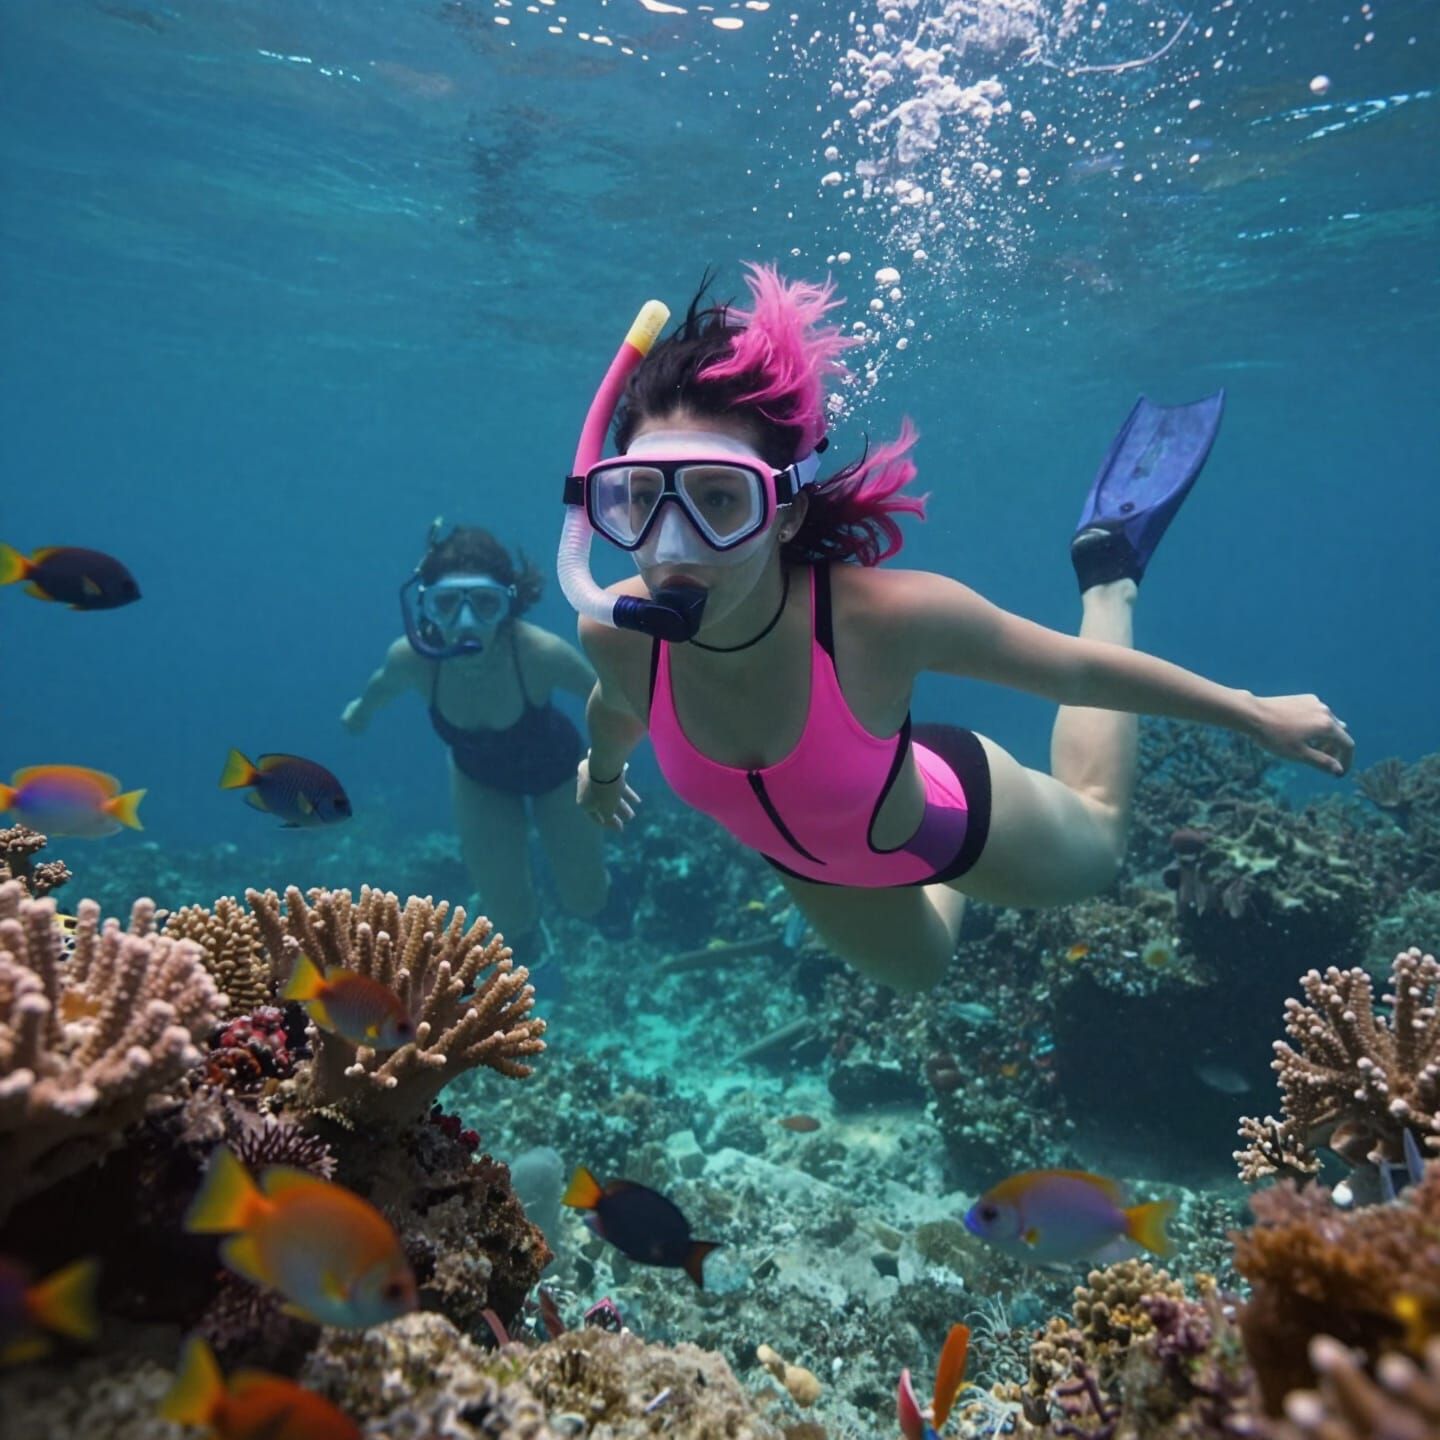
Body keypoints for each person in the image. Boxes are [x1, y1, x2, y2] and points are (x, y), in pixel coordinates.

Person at [561, 267, 1353, 993]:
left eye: (719, 500)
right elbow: (617, 706)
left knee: (1101, 847)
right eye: (636, 498)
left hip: (942, 815)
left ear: (787, 508)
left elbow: (1073, 674)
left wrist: (1252, 712)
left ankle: (1109, 575)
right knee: (921, 973)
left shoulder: (881, 619)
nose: (671, 544)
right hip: (819, 868)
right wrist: (600, 775)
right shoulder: (615, 633)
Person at [342, 523, 613, 955]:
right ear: (425, 607)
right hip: (479, 779)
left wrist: (607, 769)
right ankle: (534, 949)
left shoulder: (538, 654)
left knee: (586, 899)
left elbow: (611, 698)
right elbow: (378, 689)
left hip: (559, 772)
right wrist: (359, 713)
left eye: (485, 603)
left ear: (509, 604)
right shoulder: (413, 660)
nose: (465, 624)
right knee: (507, 914)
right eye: (446, 604)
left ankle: (603, 901)